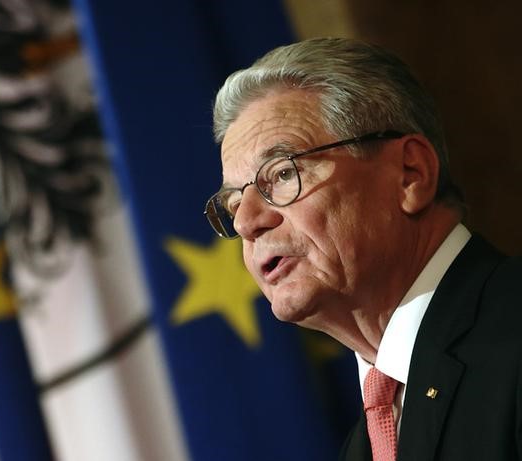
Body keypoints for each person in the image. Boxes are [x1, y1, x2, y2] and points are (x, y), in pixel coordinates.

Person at [204, 37, 522, 461]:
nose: (246, 222)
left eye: (281, 174)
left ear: (410, 174)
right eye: (234, 203)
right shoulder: (361, 448)